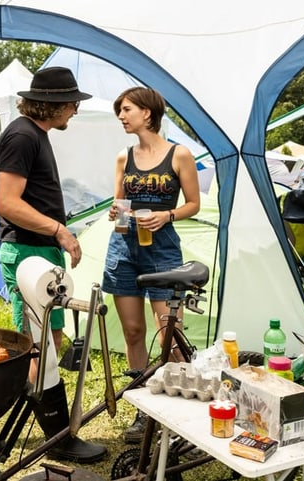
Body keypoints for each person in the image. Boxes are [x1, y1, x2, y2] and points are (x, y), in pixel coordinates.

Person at [0, 66, 107, 464]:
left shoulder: (34, 134)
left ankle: (53, 432)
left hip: (39, 252)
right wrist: (59, 229)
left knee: (48, 345)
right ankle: (53, 438)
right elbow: (6, 203)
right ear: (53, 104)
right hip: (27, 252)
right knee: (38, 346)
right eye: (73, 103)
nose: (75, 110)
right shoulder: (22, 134)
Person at [101, 86, 200, 443]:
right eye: (120, 111)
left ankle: (182, 411)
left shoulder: (179, 154)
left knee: (169, 334)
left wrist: (167, 214)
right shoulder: (123, 157)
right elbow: (119, 204)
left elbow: (193, 203)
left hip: (162, 252)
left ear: (148, 112)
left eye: (126, 109)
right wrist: (115, 210)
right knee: (133, 332)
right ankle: (144, 411)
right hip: (124, 249)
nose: (122, 117)